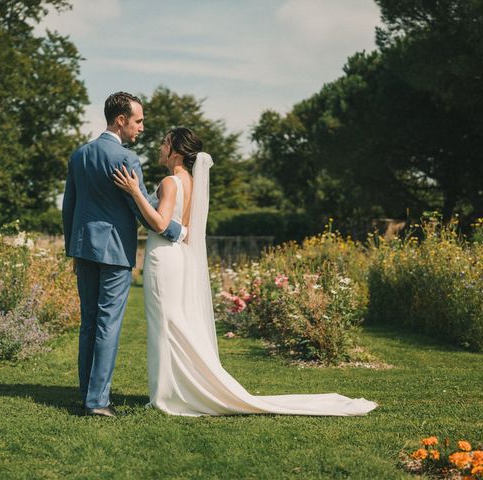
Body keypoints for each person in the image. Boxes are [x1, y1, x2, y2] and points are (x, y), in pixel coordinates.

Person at [112, 127, 378, 416]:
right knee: (172, 323)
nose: (160, 148)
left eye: (164, 144)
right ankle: (176, 389)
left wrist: (135, 192)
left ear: (175, 151)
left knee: (165, 324)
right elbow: (185, 231)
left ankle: (167, 396)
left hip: (163, 258)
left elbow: (162, 224)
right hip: (177, 258)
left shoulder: (169, 182)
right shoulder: (189, 181)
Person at [62, 92, 185, 417]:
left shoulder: (80, 155)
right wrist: (178, 231)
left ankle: (86, 394)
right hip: (115, 250)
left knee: (89, 323)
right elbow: (144, 213)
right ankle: (98, 402)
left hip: (84, 248)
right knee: (107, 325)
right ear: (121, 120)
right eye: (139, 120)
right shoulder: (126, 160)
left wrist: (71, 247)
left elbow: (69, 206)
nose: (142, 128)